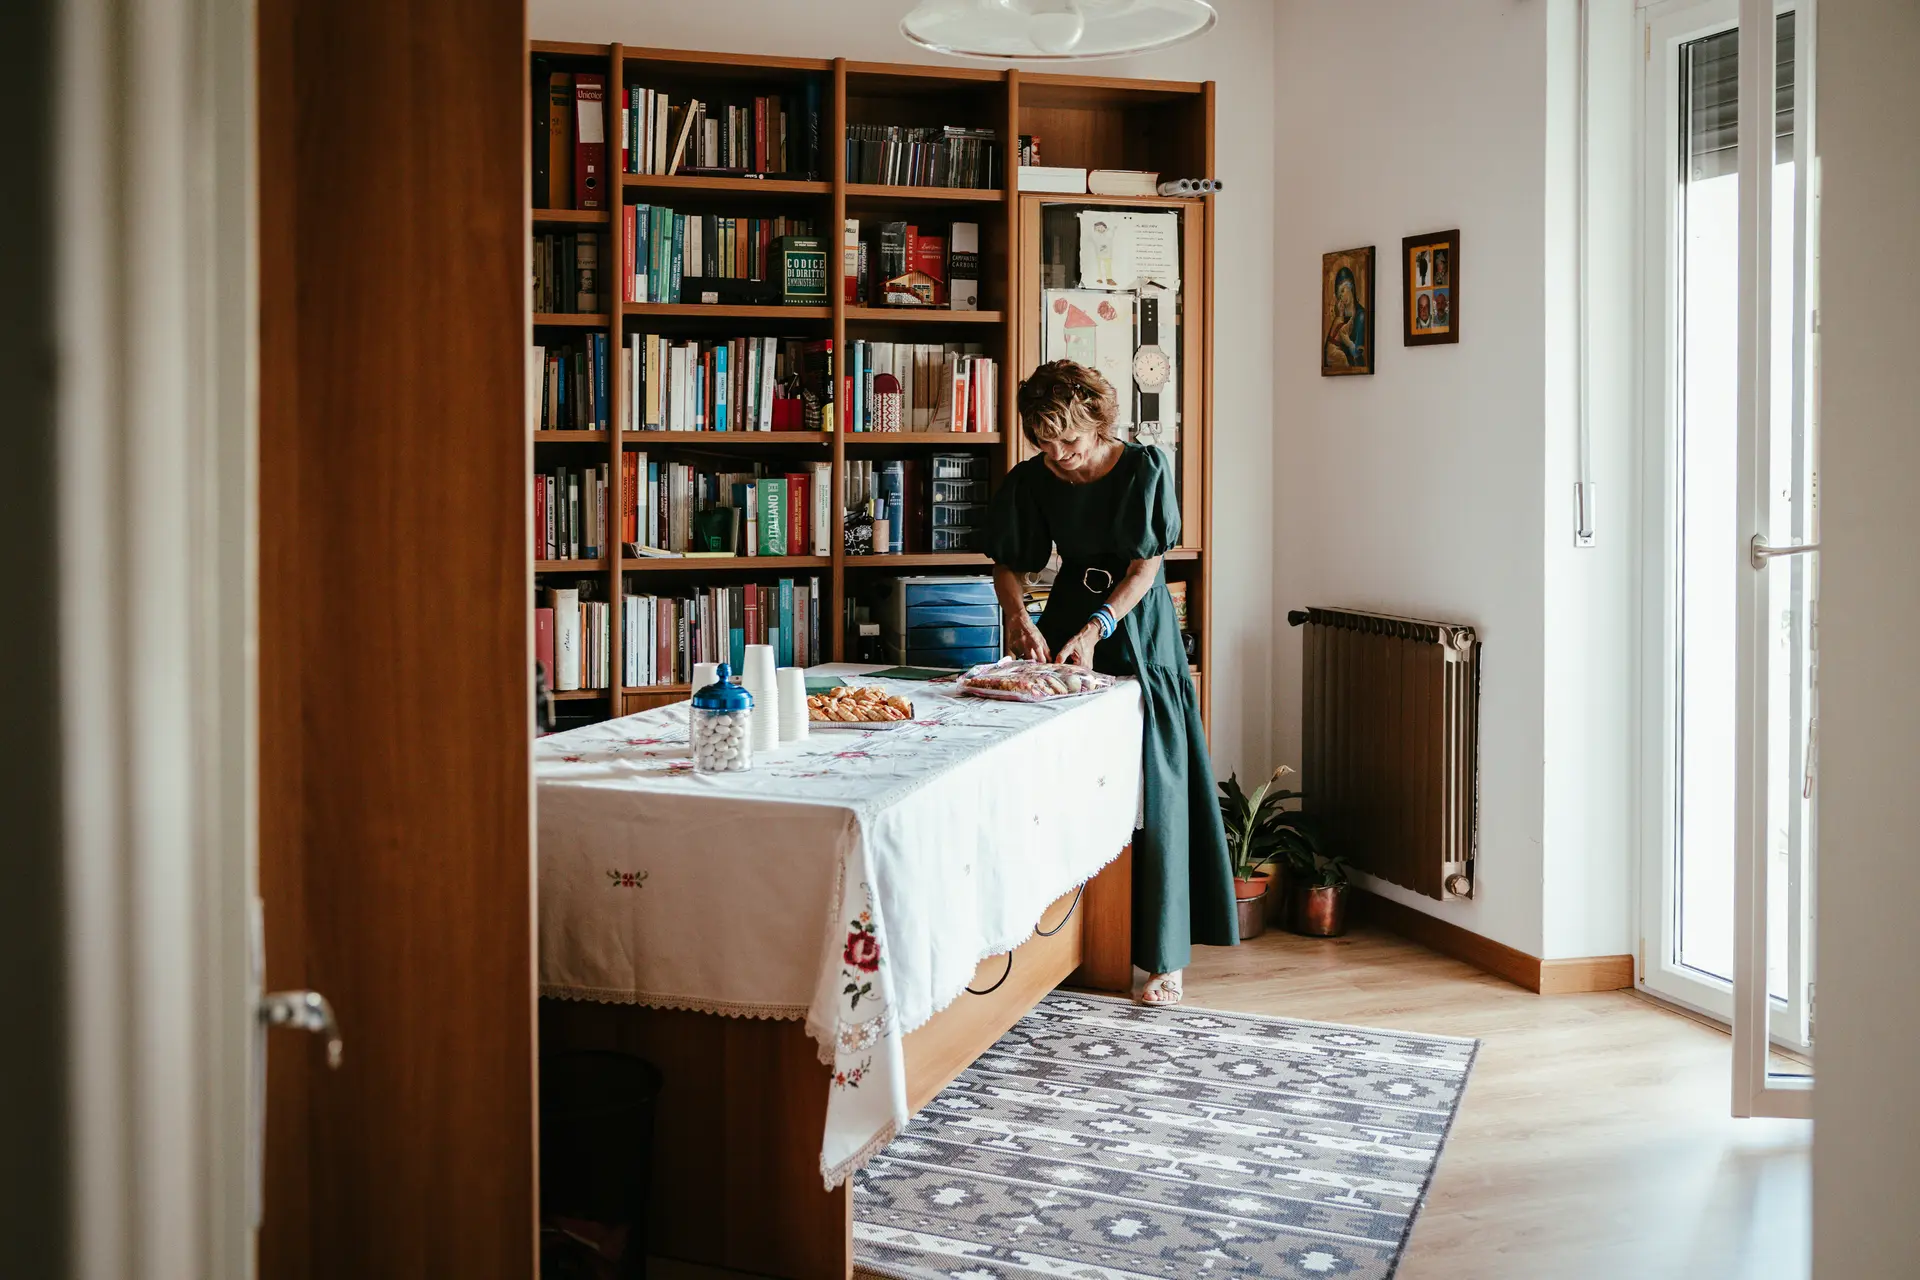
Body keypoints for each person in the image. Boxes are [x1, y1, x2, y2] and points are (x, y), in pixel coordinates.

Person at [982, 361, 1238, 1006]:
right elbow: (1010, 564)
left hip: (1134, 623)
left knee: (1152, 781)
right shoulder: (1032, 479)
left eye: (1069, 440)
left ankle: (1163, 959)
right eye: (1045, 442)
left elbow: (1144, 570)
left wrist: (1098, 628)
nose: (1059, 455)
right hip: (1066, 616)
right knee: (1060, 775)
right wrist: (1018, 616)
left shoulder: (1143, 469)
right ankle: (1063, 945)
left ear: (1098, 423)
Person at [1325, 264, 1368, 368]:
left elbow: (1359, 356)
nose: (1342, 296)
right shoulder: (1340, 317)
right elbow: (1328, 351)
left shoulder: (1361, 315)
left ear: (1351, 286)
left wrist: (1348, 342)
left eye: (1343, 290)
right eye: (1339, 294)